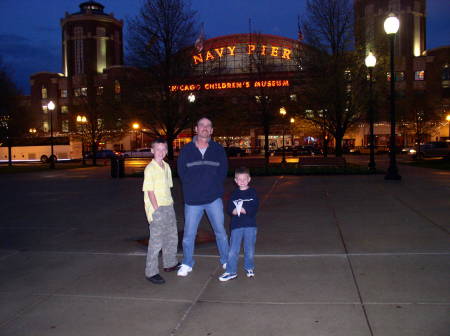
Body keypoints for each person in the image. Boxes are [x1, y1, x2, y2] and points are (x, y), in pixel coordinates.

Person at [177, 117, 229, 277]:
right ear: (196, 129)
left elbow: (223, 172)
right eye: (202, 125)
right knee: (189, 235)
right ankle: (187, 263)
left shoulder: (218, 150)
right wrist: (193, 188)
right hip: (193, 201)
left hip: (213, 199)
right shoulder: (186, 150)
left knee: (220, 231)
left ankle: (226, 259)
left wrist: (213, 188)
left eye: (208, 126)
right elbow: (182, 173)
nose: (205, 128)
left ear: (212, 130)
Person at [143, 138, 180, 284]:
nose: (161, 152)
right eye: (158, 149)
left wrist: (170, 205)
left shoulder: (166, 166)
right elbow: (150, 191)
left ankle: (170, 263)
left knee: (171, 236)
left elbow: (167, 187)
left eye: (164, 149)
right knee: (156, 241)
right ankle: (151, 272)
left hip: (168, 205)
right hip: (156, 208)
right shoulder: (150, 169)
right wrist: (157, 209)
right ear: (152, 151)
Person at [219, 167, 259, 281]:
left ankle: (249, 267)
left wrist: (244, 210)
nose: (242, 181)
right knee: (233, 250)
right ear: (235, 181)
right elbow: (229, 208)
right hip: (236, 226)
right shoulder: (234, 194)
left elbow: (255, 207)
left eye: (244, 179)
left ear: (249, 179)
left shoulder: (252, 193)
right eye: (239, 179)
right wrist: (233, 211)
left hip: (250, 225)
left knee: (249, 249)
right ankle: (231, 271)